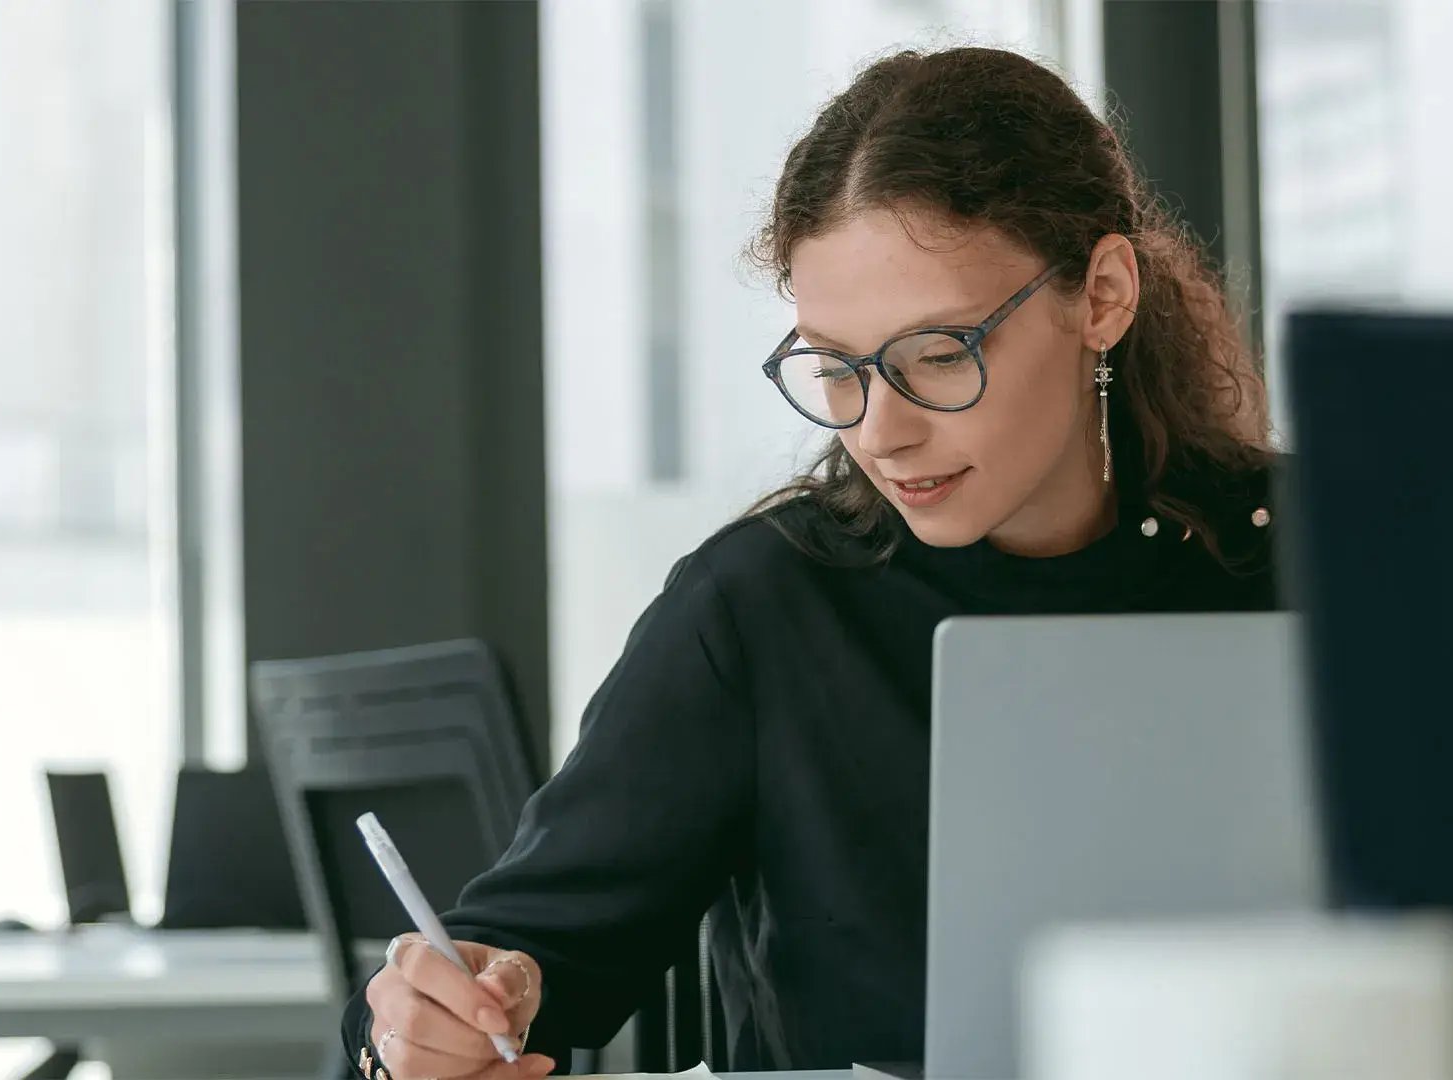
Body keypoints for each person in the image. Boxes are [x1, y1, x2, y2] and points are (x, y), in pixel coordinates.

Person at [343, 45, 1279, 1078]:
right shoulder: (762, 608)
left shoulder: (1326, 564)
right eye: (836, 369)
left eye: (939, 357)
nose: (879, 432)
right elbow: (519, 961)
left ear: (1101, 294)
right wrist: (423, 1028)